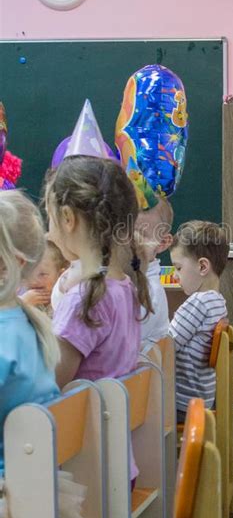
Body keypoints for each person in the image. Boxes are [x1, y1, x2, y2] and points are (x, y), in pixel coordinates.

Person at [47, 155, 152, 390]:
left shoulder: (85, 299)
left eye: (49, 218)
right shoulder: (125, 287)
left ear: (67, 218)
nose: (49, 233)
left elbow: (48, 384)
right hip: (109, 424)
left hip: (81, 425)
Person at [0, 191, 60, 475]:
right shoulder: (29, 322)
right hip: (36, 479)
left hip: (11, 490)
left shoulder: (5, 335)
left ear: (8, 262)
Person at [169, 221, 229, 422]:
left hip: (183, 404)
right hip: (203, 397)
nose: (175, 276)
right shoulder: (217, 301)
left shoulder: (198, 303)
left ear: (203, 266)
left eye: (178, 268)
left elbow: (168, 346)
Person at [135, 197, 173, 352]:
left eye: (140, 235)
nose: (130, 240)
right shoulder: (128, 279)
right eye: (123, 231)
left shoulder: (151, 294)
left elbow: (120, 339)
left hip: (140, 374)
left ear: (162, 243)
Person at [21, 239, 69, 315]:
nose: (34, 281)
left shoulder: (65, 301)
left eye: (42, 274)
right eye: (28, 273)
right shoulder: (21, 298)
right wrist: (23, 306)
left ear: (60, 275)